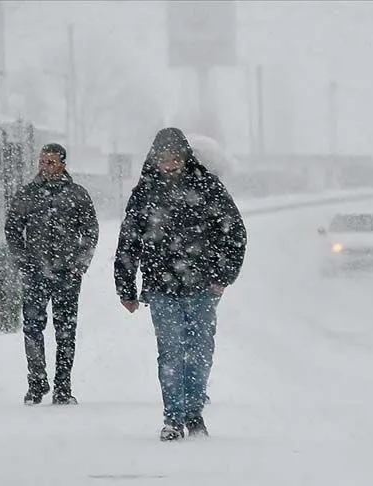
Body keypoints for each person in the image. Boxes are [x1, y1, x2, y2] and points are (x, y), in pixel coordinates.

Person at [114, 127, 246, 441]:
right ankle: (173, 418)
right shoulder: (145, 192)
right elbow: (129, 241)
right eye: (164, 156)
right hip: (162, 287)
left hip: (202, 287)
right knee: (171, 352)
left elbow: (234, 234)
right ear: (154, 158)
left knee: (199, 351)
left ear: (185, 156)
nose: (169, 162)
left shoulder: (208, 187)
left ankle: (194, 412)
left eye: (174, 155)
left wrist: (222, 276)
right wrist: (125, 286)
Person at [5, 143, 99, 406]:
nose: (44, 166)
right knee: (33, 328)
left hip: (67, 273)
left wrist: (80, 264)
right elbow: (12, 229)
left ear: (62, 164)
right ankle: (36, 382)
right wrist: (23, 261)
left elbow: (90, 231)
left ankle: (63, 387)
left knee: (65, 331)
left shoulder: (77, 195)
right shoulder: (27, 195)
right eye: (42, 161)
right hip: (34, 272)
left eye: (50, 162)